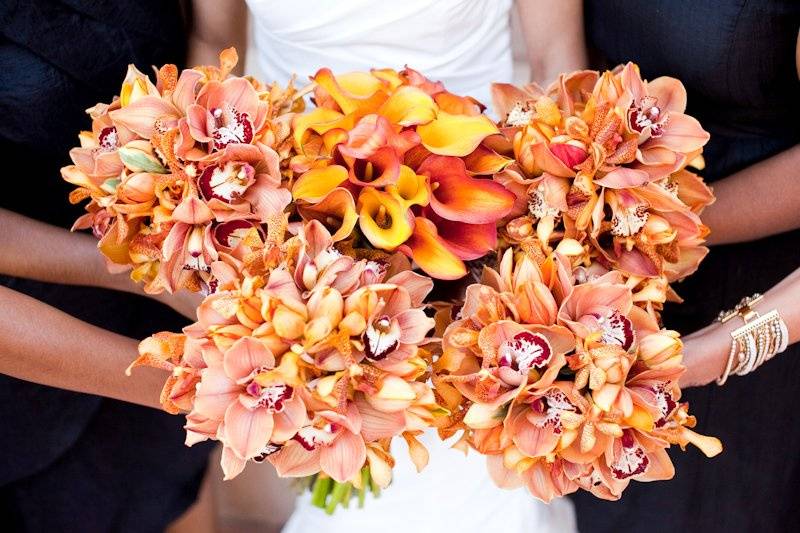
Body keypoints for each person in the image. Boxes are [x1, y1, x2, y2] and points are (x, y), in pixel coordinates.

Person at [187, 1, 587, 531]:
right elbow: (215, 44)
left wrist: (539, 228)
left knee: (458, 470)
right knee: (340, 437)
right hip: (294, 223)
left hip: (477, 222)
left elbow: (557, 58)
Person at [566, 1, 800, 532]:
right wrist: (565, 209)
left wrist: (652, 230)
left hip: (759, 276)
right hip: (606, 258)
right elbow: (558, 68)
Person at [0, 1, 213, 531]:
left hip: (176, 263)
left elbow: (210, 50)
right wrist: (198, 390)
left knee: (165, 487)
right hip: (32, 344)